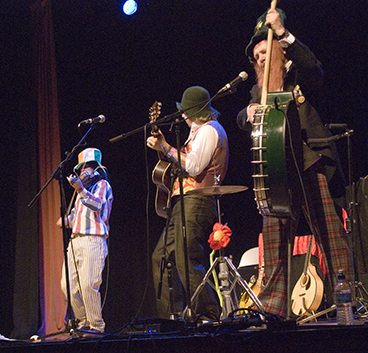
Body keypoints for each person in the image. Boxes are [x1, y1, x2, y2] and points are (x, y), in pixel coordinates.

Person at [236, 8, 353, 318]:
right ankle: (273, 310)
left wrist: (284, 33)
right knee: (274, 245)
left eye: (265, 51)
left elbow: (315, 68)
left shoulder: (300, 74)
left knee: (330, 235)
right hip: (276, 170)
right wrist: (248, 113)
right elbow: (242, 117)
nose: (260, 58)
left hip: (309, 162)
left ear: (279, 49)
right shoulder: (258, 89)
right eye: (256, 55)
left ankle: (346, 303)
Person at [146, 86, 228, 321]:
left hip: (197, 201)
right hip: (184, 201)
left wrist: (165, 146)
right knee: (161, 257)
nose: (182, 115)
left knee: (185, 256)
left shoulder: (209, 131)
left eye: (185, 111)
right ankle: (172, 317)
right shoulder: (197, 132)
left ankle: (210, 313)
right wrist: (164, 147)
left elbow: (193, 167)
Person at [60, 148, 113, 335]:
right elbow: (76, 218)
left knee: (88, 285)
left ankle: (96, 326)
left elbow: (97, 205)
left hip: (93, 240)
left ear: (96, 169)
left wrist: (80, 189)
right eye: (81, 168)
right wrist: (65, 221)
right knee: (68, 287)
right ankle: (84, 323)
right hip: (75, 242)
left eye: (87, 168)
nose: (83, 172)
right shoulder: (79, 193)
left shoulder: (102, 185)